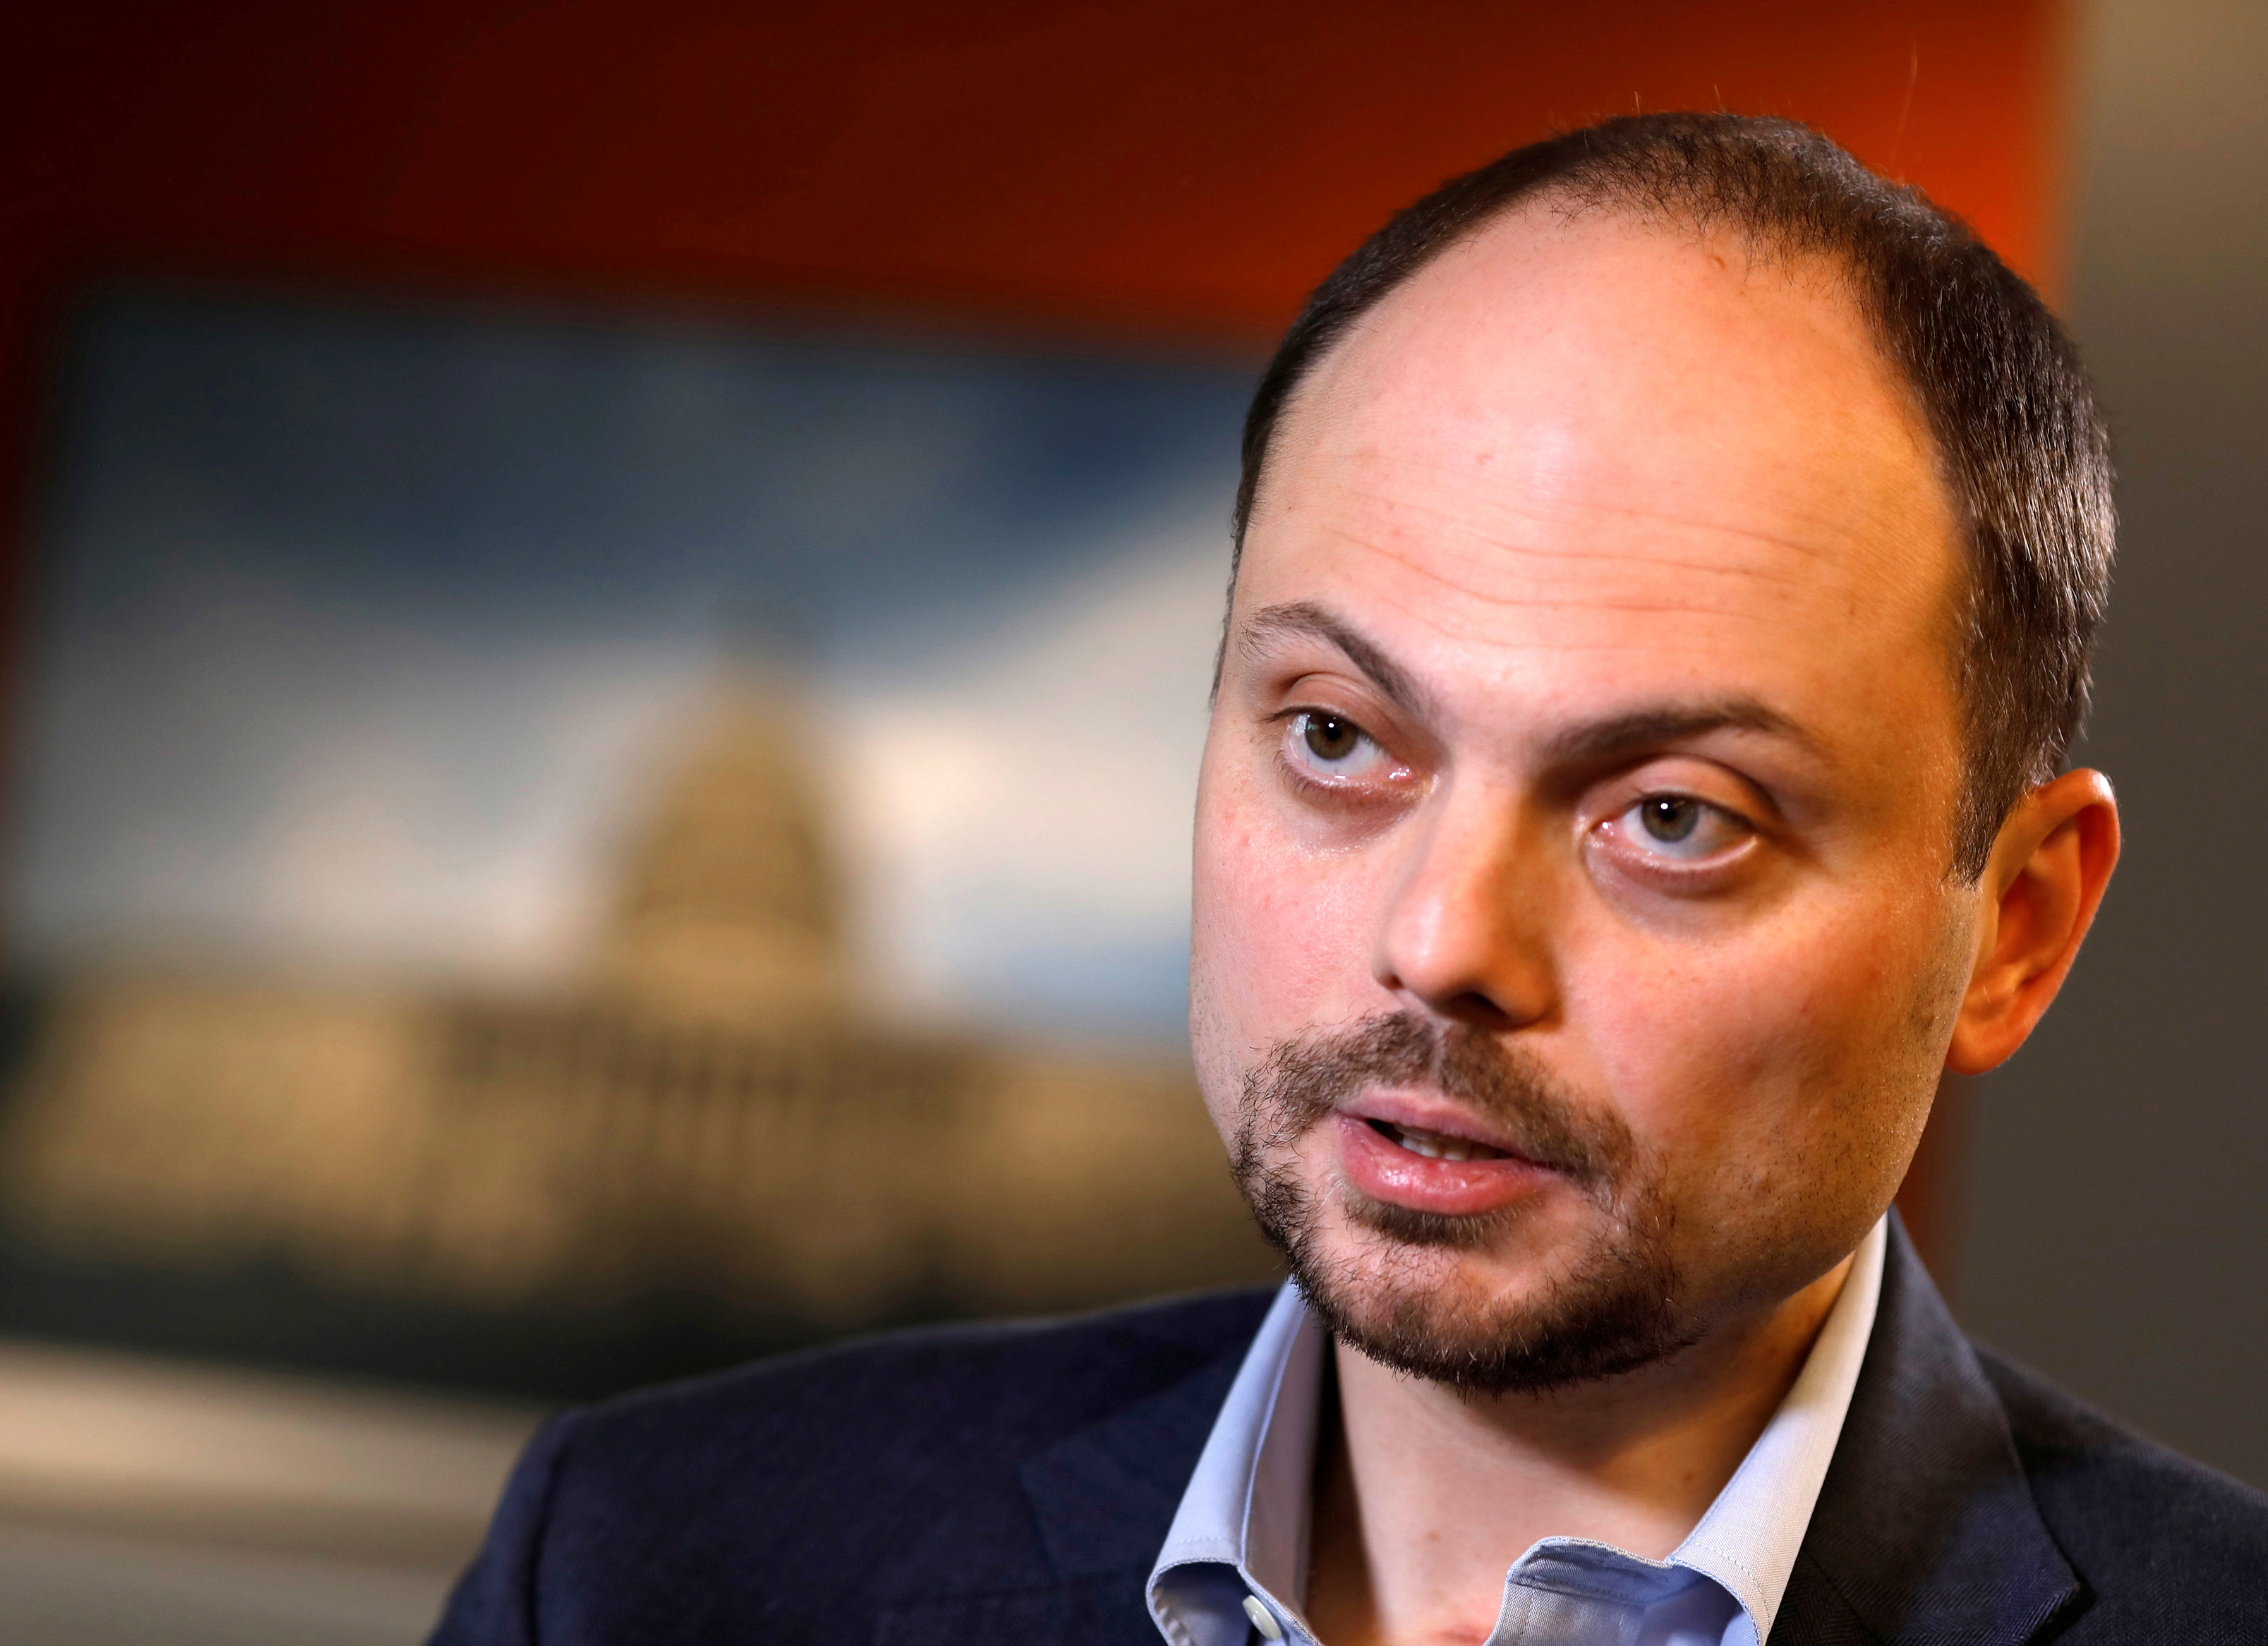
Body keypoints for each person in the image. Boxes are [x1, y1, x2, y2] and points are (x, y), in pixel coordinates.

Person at [431, 114, 2268, 1646]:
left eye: (1677, 815)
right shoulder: (643, 1569)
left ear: (2014, 932)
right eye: (1335, 737)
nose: (1439, 938)